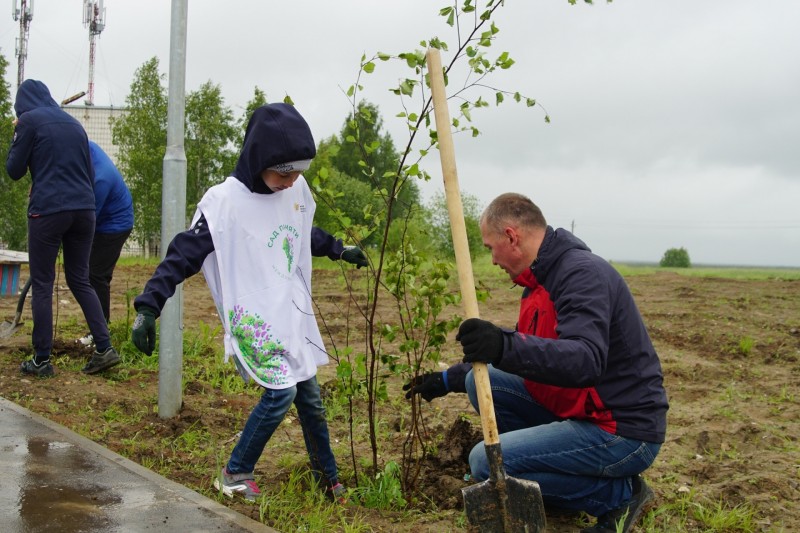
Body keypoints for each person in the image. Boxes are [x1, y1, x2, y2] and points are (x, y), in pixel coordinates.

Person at [130, 103, 368, 503]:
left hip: (290, 315)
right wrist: (148, 306)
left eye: (298, 173)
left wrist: (338, 249)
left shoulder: (293, 190)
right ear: (259, 159)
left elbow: (300, 230)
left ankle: (326, 478)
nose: (291, 181)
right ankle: (235, 472)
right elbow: (182, 254)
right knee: (281, 394)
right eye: (284, 172)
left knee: (310, 398)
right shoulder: (224, 204)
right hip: (256, 320)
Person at [404, 193, 668, 533]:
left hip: (622, 431)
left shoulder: (581, 275)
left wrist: (503, 345)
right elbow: (529, 348)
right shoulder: (539, 281)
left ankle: (618, 495)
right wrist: (446, 380)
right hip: (581, 410)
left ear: (512, 237)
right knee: (480, 381)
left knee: (485, 463)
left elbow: (584, 360)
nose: (493, 259)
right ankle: (547, 473)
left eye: (489, 247)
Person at [5, 79, 121, 377]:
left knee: (43, 282)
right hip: (84, 210)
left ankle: (42, 360)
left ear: (23, 104)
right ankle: (104, 348)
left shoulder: (28, 121)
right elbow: (89, 172)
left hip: (48, 211)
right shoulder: (74, 125)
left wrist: (16, 134)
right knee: (80, 279)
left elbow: (14, 171)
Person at [77, 141, 134, 347]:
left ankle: (99, 331)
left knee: (95, 274)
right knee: (96, 275)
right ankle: (100, 326)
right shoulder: (86, 147)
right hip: (106, 221)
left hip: (114, 226)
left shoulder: (101, 178)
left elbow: (88, 220)